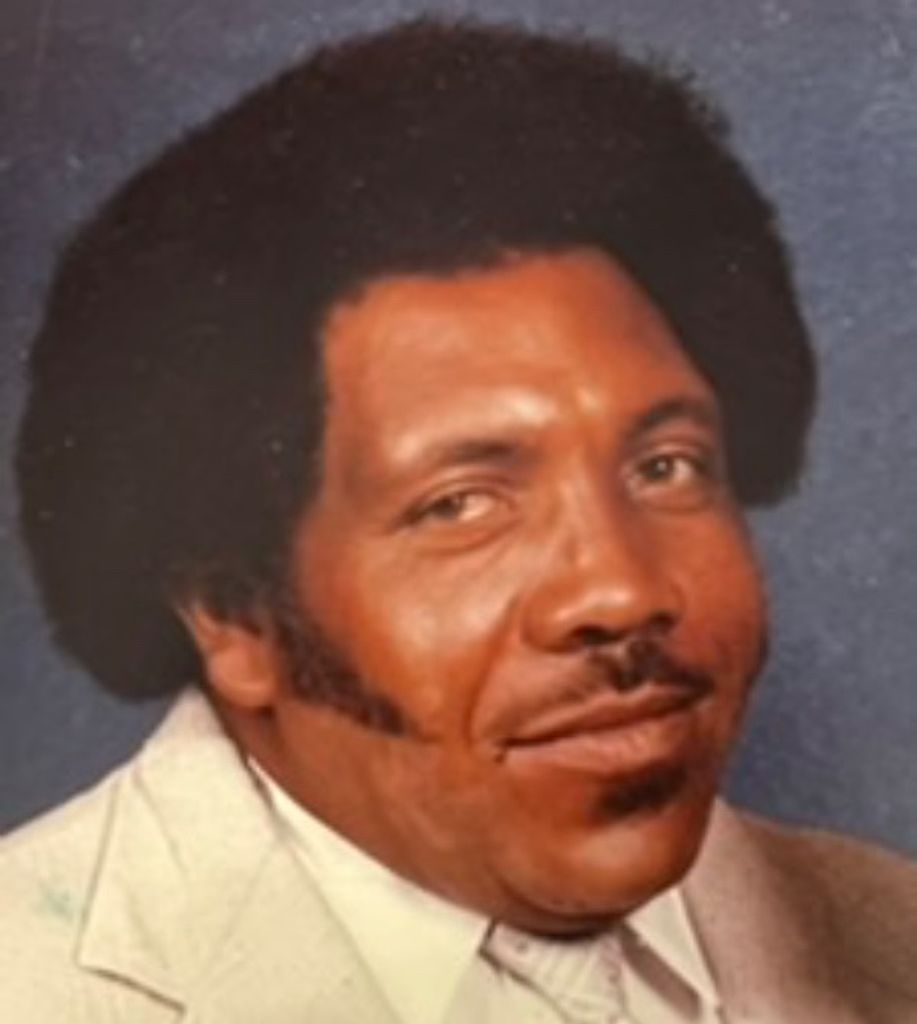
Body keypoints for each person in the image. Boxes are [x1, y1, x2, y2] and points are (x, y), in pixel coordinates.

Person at [3, 17, 916, 1024]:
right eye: (462, 505)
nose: (620, 588)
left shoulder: (890, 930)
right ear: (235, 616)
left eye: (665, 467)